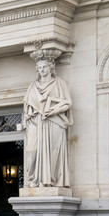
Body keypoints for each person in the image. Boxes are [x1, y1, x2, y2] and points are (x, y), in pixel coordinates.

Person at [22, 55, 72, 187]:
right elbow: (27, 108)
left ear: (51, 68)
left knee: (52, 152)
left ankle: (49, 180)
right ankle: (33, 178)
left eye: (44, 67)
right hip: (35, 122)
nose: (42, 69)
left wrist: (54, 110)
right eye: (39, 67)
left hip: (54, 121)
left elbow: (68, 103)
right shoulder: (32, 86)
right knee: (31, 150)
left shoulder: (59, 83)